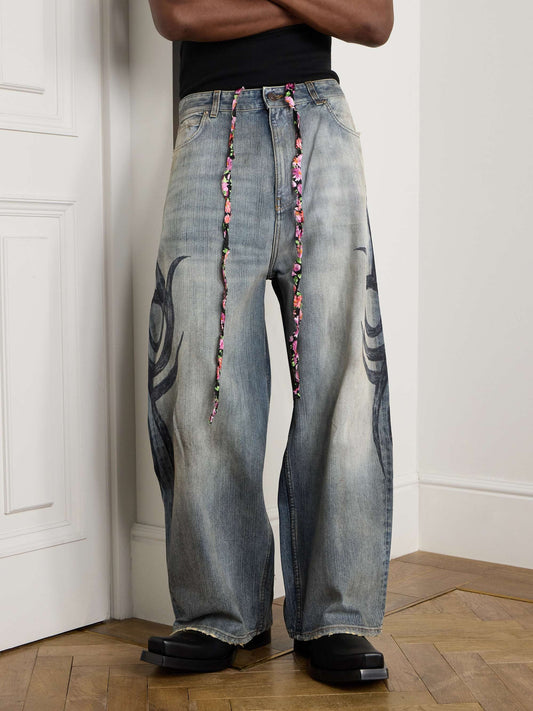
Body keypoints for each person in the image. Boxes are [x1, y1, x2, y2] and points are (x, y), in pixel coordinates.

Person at [140, 0, 395, 684]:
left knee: (341, 381)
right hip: (208, 126)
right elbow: (180, 15)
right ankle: (218, 612)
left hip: (320, 124)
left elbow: (372, 21)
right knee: (203, 381)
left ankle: (335, 616)